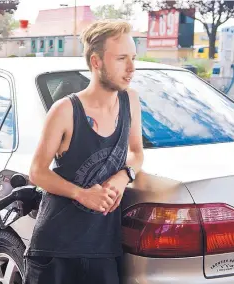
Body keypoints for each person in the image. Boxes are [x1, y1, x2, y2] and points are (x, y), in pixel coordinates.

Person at [23, 20, 144, 284]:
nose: (132, 68)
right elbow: (37, 172)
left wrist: (123, 176)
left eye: (133, 58)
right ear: (96, 61)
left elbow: (136, 153)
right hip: (56, 249)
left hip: (103, 248)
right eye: (122, 58)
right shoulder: (65, 110)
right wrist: (81, 194)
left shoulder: (130, 101)